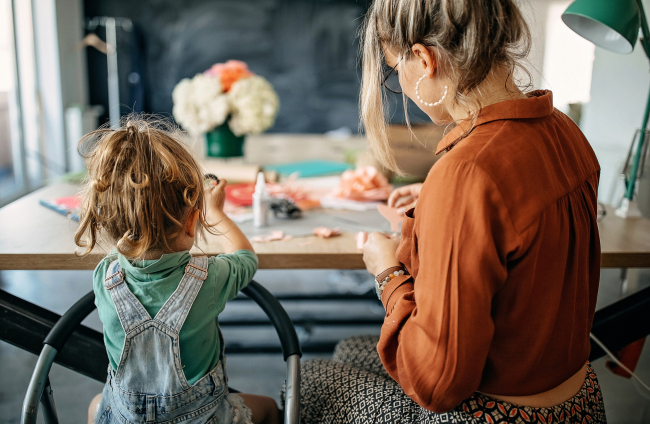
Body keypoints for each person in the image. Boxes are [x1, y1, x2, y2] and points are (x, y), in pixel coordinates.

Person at [297, 0, 606, 422]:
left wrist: (388, 274)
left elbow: (436, 384)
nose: (400, 85)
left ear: (424, 60)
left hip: (499, 414)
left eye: (395, 69)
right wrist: (438, 205)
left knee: (308, 376)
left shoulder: (466, 172)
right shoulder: (565, 131)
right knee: (350, 348)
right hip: (578, 401)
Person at [75, 117, 281, 424]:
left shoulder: (104, 276)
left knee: (96, 405)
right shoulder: (210, 277)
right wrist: (216, 213)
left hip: (125, 418)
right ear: (191, 220)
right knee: (267, 408)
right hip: (204, 418)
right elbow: (245, 257)